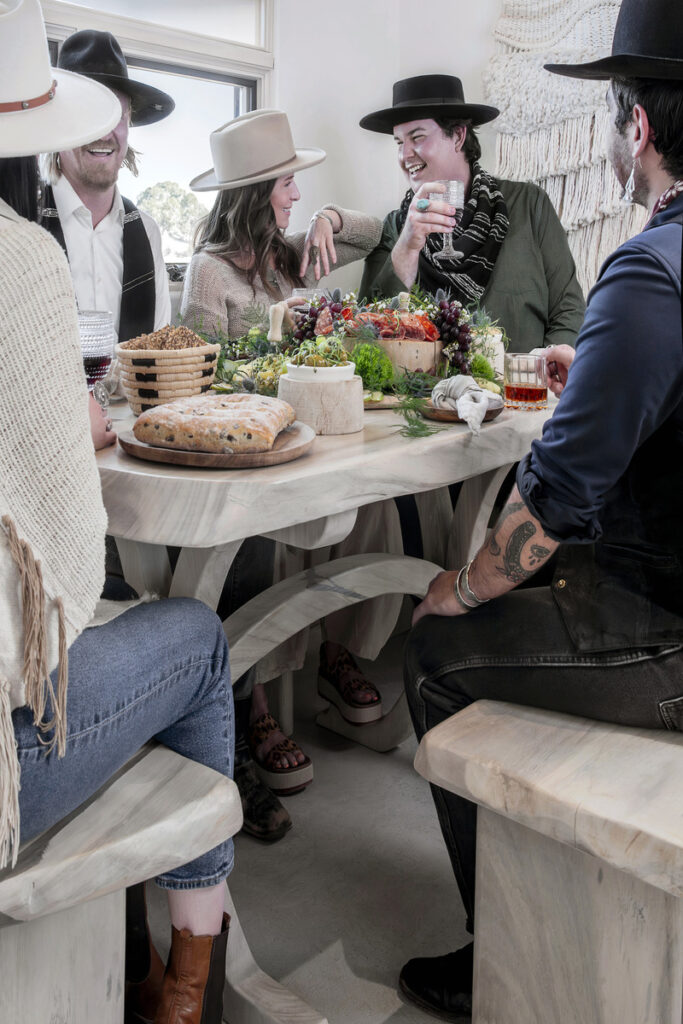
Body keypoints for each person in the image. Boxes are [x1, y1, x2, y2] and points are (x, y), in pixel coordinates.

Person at [399, 1, 683, 1019]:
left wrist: (458, 585)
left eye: (611, 116)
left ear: (635, 129)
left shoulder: (647, 276)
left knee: (430, 651)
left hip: (661, 632)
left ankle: (503, 953)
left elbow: (553, 499)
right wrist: (597, 373)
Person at [1, 4, 235, 1021]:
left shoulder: (139, 224)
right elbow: (66, 539)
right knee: (199, 635)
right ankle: (189, 985)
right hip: (73, 458)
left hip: (108, 420)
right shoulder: (25, 255)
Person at [180, 109, 384, 840]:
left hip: (289, 451)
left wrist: (329, 216)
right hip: (233, 466)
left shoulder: (284, 257)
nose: (296, 195)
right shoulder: (210, 273)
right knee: (253, 559)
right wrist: (279, 334)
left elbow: (372, 233)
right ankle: (247, 722)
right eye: (290, 184)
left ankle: (293, 683)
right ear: (257, 191)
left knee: (360, 516)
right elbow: (203, 387)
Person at [358, 74, 585, 354]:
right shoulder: (394, 228)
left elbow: (569, 309)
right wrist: (406, 247)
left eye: (416, 137)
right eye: (398, 142)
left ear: (458, 136)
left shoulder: (528, 205)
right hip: (427, 397)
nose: (405, 155)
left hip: (520, 394)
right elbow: (366, 335)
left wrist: (541, 376)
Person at [40, 28, 173, 344]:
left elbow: (157, 356)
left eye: (114, 112)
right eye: (87, 111)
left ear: (128, 122)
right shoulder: (21, 224)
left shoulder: (147, 233)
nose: (103, 132)